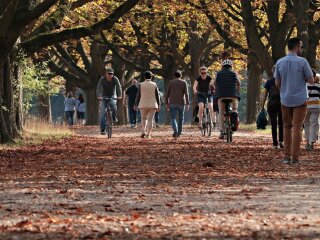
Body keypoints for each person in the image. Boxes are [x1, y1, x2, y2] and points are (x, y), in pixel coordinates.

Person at [275, 37, 314, 164]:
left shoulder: (280, 62)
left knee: (287, 127)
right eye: (300, 46)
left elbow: (277, 82)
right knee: (297, 128)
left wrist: (286, 87)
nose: (301, 49)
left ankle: (286, 156)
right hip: (300, 99)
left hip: (285, 99)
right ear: (296, 47)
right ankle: (295, 158)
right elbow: (311, 80)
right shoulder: (303, 62)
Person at [213, 59, 240, 139]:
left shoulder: (218, 74)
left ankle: (221, 132)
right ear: (231, 66)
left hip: (221, 96)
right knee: (235, 109)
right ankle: (234, 121)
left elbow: (213, 83)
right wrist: (237, 92)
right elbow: (239, 83)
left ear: (222, 66)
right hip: (233, 95)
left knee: (221, 113)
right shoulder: (234, 73)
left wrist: (216, 90)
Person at [261, 66, 283, 149]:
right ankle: (281, 141)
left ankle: (275, 143)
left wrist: (262, 105)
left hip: (271, 103)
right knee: (281, 123)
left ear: (272, 71)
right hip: (281, 103)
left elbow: (265, 95)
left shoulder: (269, 82)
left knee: (273, 124)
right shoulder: (283, 81)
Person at [134, 71, 161, 138]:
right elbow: (157, 96)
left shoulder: (141, 84)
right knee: (150, 120)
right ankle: (148, 134)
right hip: (152, 104)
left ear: (144, 77)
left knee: (143, 118)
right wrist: (159, 104)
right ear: (151, 77)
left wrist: (135, 104)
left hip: (143, 104)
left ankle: (143, 131)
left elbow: (138, 95)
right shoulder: (154, 84)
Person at [96, 67, 122, 135]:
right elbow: (98, 88)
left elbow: (119, 87)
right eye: (109, 74)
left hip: (113, 95)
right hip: (104, 96)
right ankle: (103, 129)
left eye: (111, 74)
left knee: (113, 105)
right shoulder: (102, 79)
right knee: (102, 113)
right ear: (106, 74)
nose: (110, 75)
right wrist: (99, 96)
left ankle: (114, 116)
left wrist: (119, 95)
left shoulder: (115, 79)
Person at [165, 70, 190, 138]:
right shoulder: (184, 82)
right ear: (180, 75)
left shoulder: (171, 82)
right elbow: (186, 93)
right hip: (181, 102)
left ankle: (175, 130)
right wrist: (187, 103)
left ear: (174, 75)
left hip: (172, 102)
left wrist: (166, 103)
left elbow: (167, 93)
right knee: (181, 118)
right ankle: (179, 132)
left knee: (173, 118)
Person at [304, 70, 320, 151]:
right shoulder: (318, 85)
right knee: (314, 124)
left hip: (306, 106)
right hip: (316, 106)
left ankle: (307, 142)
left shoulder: (304, 85)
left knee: (306, 124)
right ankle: (311, 143)